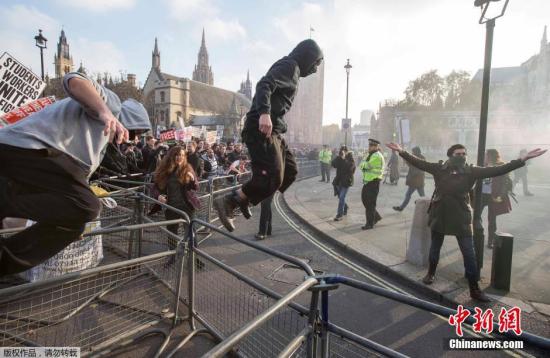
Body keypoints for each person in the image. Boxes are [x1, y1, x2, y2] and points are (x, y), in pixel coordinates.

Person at [0, 71, 139, 275]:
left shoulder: (95, 151)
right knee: (88, 206)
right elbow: (73, 81)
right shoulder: (113, 105)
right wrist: (104, 111)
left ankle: (6, 261)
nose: (128, 140)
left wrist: (68, 219)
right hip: (25, 147)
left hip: (37, 162)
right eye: (133, 134)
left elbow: (65, 195)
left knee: (76, 224)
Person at [386, 142, 546, 301]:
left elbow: (498, 170)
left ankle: (474, 288)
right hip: (440, 213)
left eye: (464, 154)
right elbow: (418, 162)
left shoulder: (472, 171)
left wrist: (522, 159)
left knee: (469, 254)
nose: (462, 157)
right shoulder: (438, 168)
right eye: (458, 154)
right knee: (435, 247)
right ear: (450, 155)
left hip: (461, 216)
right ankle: (431, 273)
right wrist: (402, 151)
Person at [214, 39, 323, 231]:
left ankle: (247, 197)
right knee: (273, 176)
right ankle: (230, 201)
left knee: (290, 171)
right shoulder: (290, 66)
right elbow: (264, 84)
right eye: (315, 63)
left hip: (276, 131)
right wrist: (264, 113)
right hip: (260, 128)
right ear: (307, 57)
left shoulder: (294, 71)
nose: (315, 69)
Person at [155, 146, 199, 249]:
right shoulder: (164, 169)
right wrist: (159, 196)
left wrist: (193, 180)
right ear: (172, 156)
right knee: (172, 233)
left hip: (187, 206)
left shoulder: (188, 168)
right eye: (177, 155)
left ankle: (195, 259)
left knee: (191, 233)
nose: (179, 157)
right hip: (171, 206)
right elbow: (155, 187)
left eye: (182, 155)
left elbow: (196, 187)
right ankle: (172, 256)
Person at [481, 149, 514, 249]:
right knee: (476, 217)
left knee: (492, 219)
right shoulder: (482, 166)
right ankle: (476, 237)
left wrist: (501, 195)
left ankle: (490, 240)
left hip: (493, 196)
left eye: (486, 155)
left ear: (491, 156)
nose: (485, 157)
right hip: (482, 195)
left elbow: (505, 182)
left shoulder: (500, 167)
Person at [359, 139, 385, 230]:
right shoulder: (371, 155)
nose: (369, 147)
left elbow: (366, 165)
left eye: (371, 146)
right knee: (365, 200)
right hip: (368, 182)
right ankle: (376, 217)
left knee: (370, 204)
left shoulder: (376, 156)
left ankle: (370, 224)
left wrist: (363, 164)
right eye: (369, 146)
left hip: (373, 182)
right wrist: (363, 164)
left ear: (376, 147)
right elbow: (362, 166)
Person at [393, 146, 426, 211]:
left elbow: (415, 168)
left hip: (415, 181)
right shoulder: (421, 158)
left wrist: (406, 161)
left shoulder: (419, 159)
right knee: (423, 197)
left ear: (416, 152)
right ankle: (429, 207)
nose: (412, 153)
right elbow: (411, 165)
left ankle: (401, 208)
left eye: (413, 152)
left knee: (408, 195)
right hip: (418, 181)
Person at [332, 147, 355, 221]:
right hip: (338, 181)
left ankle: (339, 215)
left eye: (344, 151)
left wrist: (344, 159)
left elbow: (350, 168)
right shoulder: (339, 158)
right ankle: (345, 207)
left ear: (347, 151)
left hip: (346, 182)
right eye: (342, 151)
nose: (343, 153)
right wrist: (339, 157)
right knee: (340, 197)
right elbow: (333, 164)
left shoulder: (351, 159)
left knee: (341, 197)